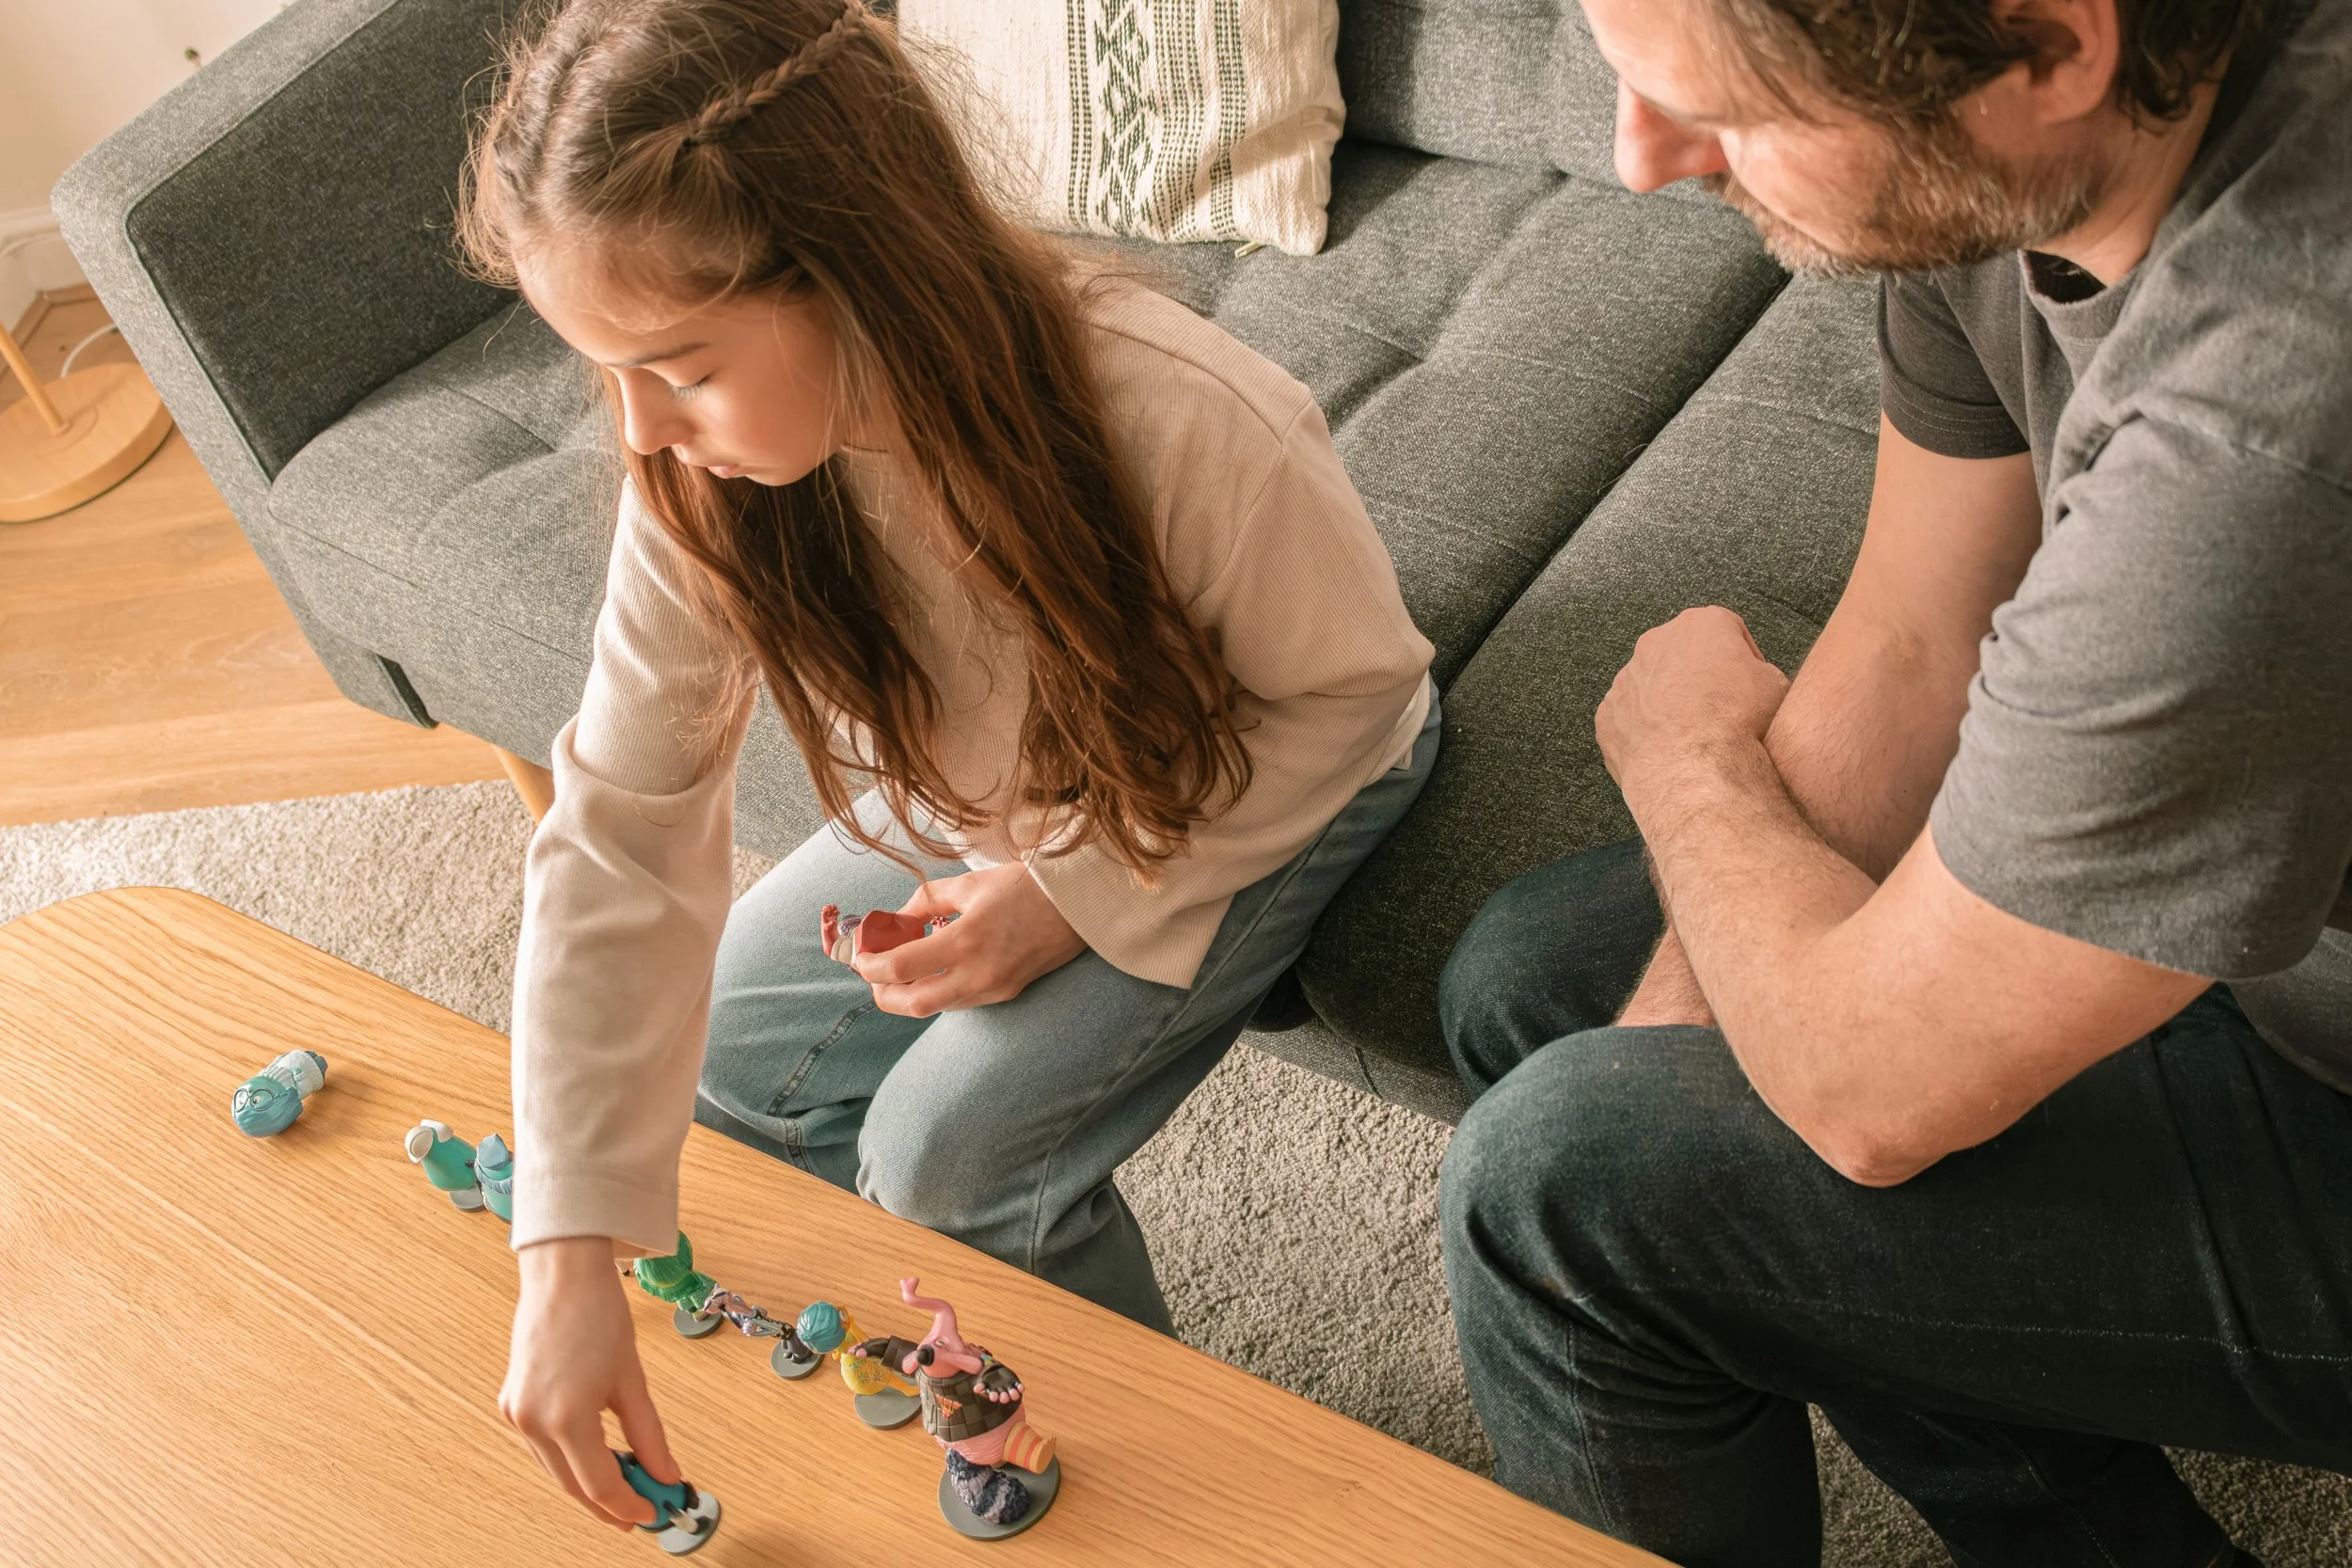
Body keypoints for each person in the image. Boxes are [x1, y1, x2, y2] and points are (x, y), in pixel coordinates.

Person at [459, 0, 1437, 1535]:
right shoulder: (701, 482)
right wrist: (566, 1246)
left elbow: (1354, 690)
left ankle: (1159, 1505)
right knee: (732, 1044)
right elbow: (622, 833)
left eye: (680, 366)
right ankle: (917, 1353)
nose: (640, 429)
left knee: (945, 1160)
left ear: (855, 267)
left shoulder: (1182, 417)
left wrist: (1067, 890)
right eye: (607, 371)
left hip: (1270, 766)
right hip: (1021, 786)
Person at [1437, 0, 2351, 1563]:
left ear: (2054, 43)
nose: (1639, 162)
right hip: (2272, 896)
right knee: (1537, 991)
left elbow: (1872, 1100)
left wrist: (1683, 760)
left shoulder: (2261, 431)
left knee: (1559, 1197)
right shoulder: (2033, 160)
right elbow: (1918, 643)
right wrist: (1692, 1073)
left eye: (1728, 110)